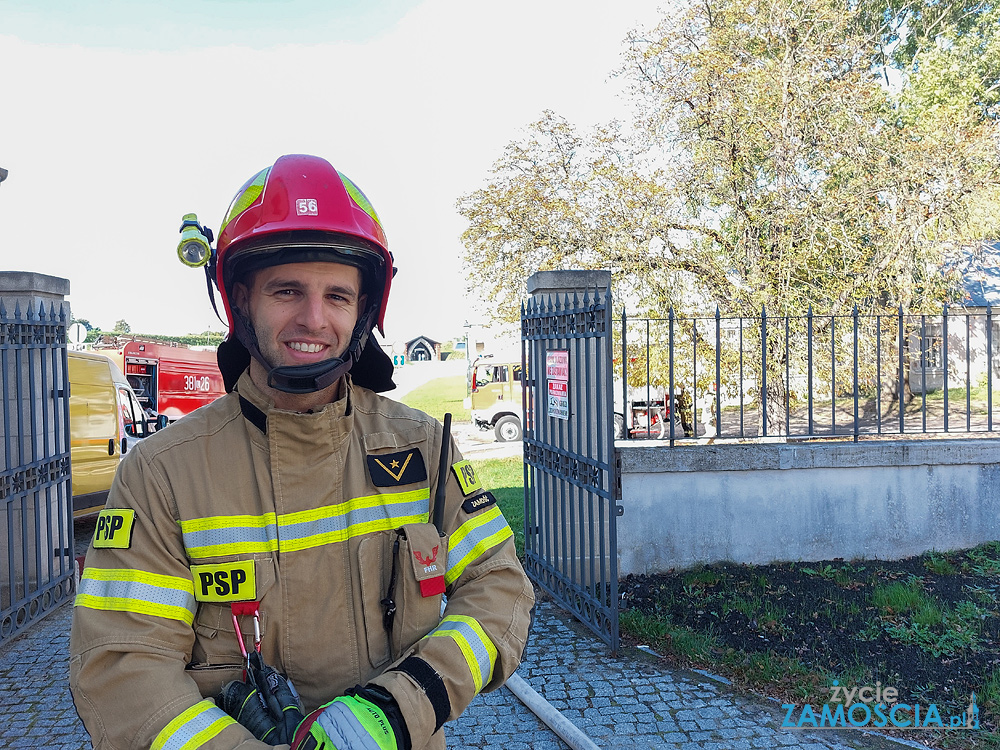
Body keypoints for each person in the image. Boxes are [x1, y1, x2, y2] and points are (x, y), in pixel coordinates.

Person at [70, 154, 535, 750]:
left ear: (364, 310)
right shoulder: (161, 475)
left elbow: (498, 586)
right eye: (287, 291)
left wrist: (399, 709)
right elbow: (121, 667)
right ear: (241, 300)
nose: (313, 319)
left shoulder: (424, 447)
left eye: (337, 296)